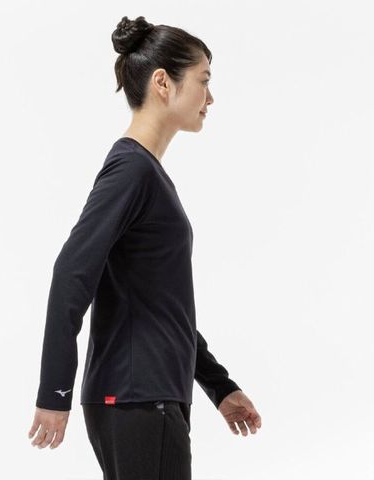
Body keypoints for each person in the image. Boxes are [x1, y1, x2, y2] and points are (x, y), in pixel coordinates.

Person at [28, 15, 262, 480]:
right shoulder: (132, 170)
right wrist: (54, 391)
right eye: (203, 81)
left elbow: (161, 305)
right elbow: (71, 272)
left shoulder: (146, 174)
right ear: (162, 83)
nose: (210, 97)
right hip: (136, 398)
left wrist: (219, 386)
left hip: (148, 397)